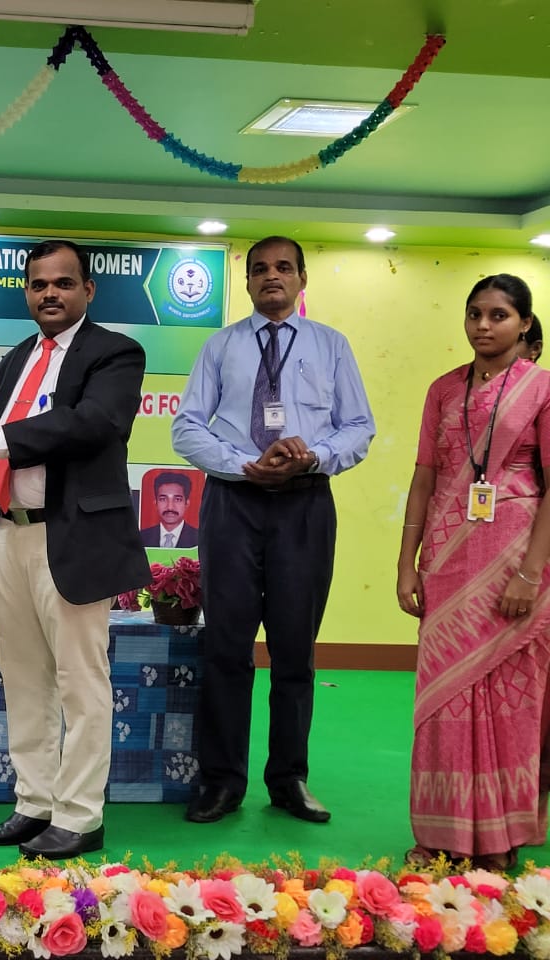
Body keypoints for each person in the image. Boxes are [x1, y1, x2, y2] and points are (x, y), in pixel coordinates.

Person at [0, 239, 149, 859]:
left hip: (72, 537)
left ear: (89, 290)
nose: (50, 294)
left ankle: (80, 814)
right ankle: (34, 803)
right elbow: (0, 431)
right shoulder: (18, 357)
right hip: (7, 533)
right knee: (23, 679)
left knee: (80, 681)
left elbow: (94, 423)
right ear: (27, 293)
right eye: (39, 284)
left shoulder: (115, 352)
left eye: (63, 283)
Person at [172, 236, 374, 825]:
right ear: (247, 282)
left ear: (302, 278)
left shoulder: (331, 345)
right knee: (226, 648)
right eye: (260, 268)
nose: (271, 276)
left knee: (294, 650)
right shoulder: (221, 346)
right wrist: (244, 464)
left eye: (284, 267)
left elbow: (359, 427)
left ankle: (288, 780)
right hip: (234, 503)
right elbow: (187, 427)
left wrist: (313, 456)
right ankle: (221, 781)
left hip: (304, 505)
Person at [397, 274, 550, 871]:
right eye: (474, 314)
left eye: (499, 315)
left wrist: (530, 575)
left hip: (514, 556)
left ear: (525, 323)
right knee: (443, 698)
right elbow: (424, 476)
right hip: (445, 559)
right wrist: (406, 563)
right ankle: (440, 834)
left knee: (508, 700)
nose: (483, 326)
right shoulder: (443, 389)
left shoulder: (541, 388)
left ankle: (497, 836)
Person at [138, 471, 198, 547]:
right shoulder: (140, 537)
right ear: (156, 503)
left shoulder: (199, 539)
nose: (170, 507)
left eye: (177, 499)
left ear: (187, 503)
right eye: (163, 499)